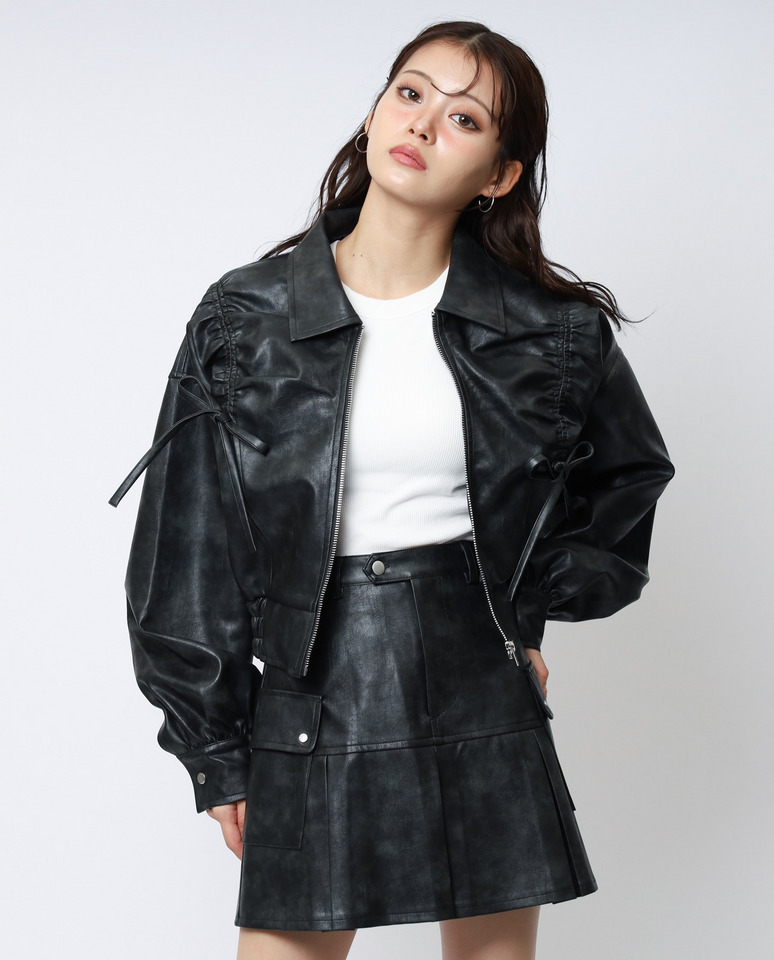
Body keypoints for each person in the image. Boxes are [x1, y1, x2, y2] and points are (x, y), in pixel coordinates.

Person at [110, 20, 674, 960]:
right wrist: (214, 749)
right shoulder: (246, 318)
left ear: (499, 174)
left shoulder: (551, 332)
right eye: (411, 93)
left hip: (480, 690)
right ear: (375, 112)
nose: (422, 124)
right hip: (307, 694)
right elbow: (186, 540)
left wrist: (523, 608)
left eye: (465, 118)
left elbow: (628, 481)